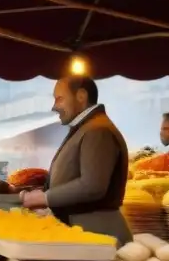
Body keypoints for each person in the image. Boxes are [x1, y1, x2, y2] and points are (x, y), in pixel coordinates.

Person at [21, 76, 131, 244]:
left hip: (98, 233)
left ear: (81, 96)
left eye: (59, 99)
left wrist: (45, 198)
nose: (54, 107)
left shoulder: (98, 130)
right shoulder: (88, 127)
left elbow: (92, 186)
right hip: (87, 231)